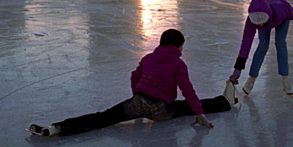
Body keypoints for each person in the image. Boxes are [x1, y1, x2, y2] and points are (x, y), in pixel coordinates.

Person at [29, 29, 237, 137]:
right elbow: (188, 91)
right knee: (186, 107)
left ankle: (57, 128)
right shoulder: (178, 64)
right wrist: (200, 114)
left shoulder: (148, 58)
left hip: (137, 104)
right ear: (178, 47)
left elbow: (133, 76)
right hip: (162, 110)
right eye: (182, 47)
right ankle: (224, 103)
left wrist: (136, 95)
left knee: (103, 118)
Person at [229, 0, 293, 96]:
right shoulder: (252, 21)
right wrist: (238, 68)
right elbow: (246, 44)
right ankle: (251, 79)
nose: (260, 24)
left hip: (281, 18)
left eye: (262, 21)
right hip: (267, 13)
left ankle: (285, 79)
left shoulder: (283, 11)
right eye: (257, 23)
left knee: (280, 44)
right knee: (263, 46)